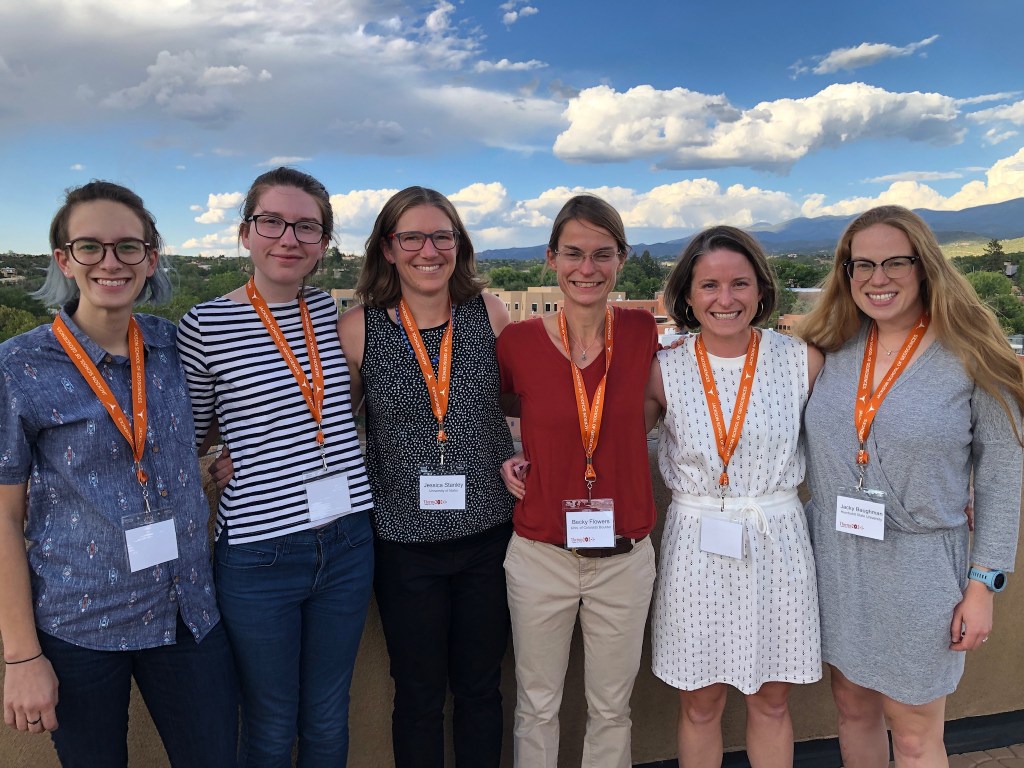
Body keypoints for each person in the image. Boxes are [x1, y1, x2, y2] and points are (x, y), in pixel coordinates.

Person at [0, 181, 238, 767]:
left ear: (150, 259)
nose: (111, 262)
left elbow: (216, 417)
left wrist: (236, 455)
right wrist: (22, 656)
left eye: (128, 246)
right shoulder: (19, 366)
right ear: (64, 260)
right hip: (81, 625)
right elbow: (3, 518)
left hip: (187, 613)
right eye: (90, 246)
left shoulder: (173, 346)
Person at [798, 205, 1024, 767]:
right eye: (863, 265)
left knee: (917, 733)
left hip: (922, 569)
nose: (878, 278)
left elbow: (1001, 478)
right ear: (846, 273)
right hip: (837, 558)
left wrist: (983, 586)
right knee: (851, 709)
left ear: (924, 266)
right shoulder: (833, 348)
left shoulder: (972, 356)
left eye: (895, 262)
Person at [176, 167, 375, 767]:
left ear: (323, 243)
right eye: (272, 222)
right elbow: (194, 432)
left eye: (306, 227)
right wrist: (221, 458)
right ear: (246, 233)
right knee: (269, 721)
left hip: (348, 541)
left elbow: (344, 403)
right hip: (259, 553)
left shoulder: (334, 312)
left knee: (327, 715)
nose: (289, 238)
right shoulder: (205, 325)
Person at [337, 186, 515, 767]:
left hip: (489, 537)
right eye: (411, 237)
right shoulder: (359, 328)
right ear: (388, 249)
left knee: (482, 689)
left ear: (459, 245)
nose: (428, 250)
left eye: (442, 236)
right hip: (403, 547)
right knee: (416, 696)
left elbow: (521, 407)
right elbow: (333, 424)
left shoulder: (489, 313)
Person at [647, 226, 822, 768]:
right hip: (695, 545)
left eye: (739, 283)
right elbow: (610, 446)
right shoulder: (664, 368)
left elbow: (855, 439)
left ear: (761, 290)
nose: (725, 299)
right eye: (709, 285)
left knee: (771, 701)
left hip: (777, 541)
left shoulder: (802, 361)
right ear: (687, 294)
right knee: (700, 703)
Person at [497, 194, 658, 768]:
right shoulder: (517, 343)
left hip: (623, 558)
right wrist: (507, 453)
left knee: (612, 709)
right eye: (573, 253)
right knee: (536, 706)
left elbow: (663, 404)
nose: (586, 268)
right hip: (541, 555)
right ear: (551, 258)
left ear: (621, 260)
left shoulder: (642, 331)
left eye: (602, 254)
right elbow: (488, 410)